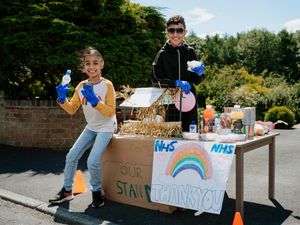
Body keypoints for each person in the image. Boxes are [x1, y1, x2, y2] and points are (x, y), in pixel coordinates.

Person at [49, 46, 116, 208]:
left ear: (101, 64)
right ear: (84, 66)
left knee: (92, 161)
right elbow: (72, 109)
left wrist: (95, 101)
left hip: (106, 127)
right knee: (71, 156)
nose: (91, 67)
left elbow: (110, 111)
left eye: (95, 63)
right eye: (87, 63)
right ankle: (67, 191)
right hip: (91, 127)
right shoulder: (80, 86)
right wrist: (62, 99)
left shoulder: (107, 85)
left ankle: (97, 192)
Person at [152, 15, 205, 132]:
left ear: (185, 32)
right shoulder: (162, 54)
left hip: (189, 101)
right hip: (169, 103)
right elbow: (155, 80)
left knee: (190, 136)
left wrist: (200, 74)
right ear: (167, 32)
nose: (175, 34)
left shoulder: (190, 52)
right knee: (170, 137)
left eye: (179, 30)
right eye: (171, 30)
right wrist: (175, 82)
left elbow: (197, 80)